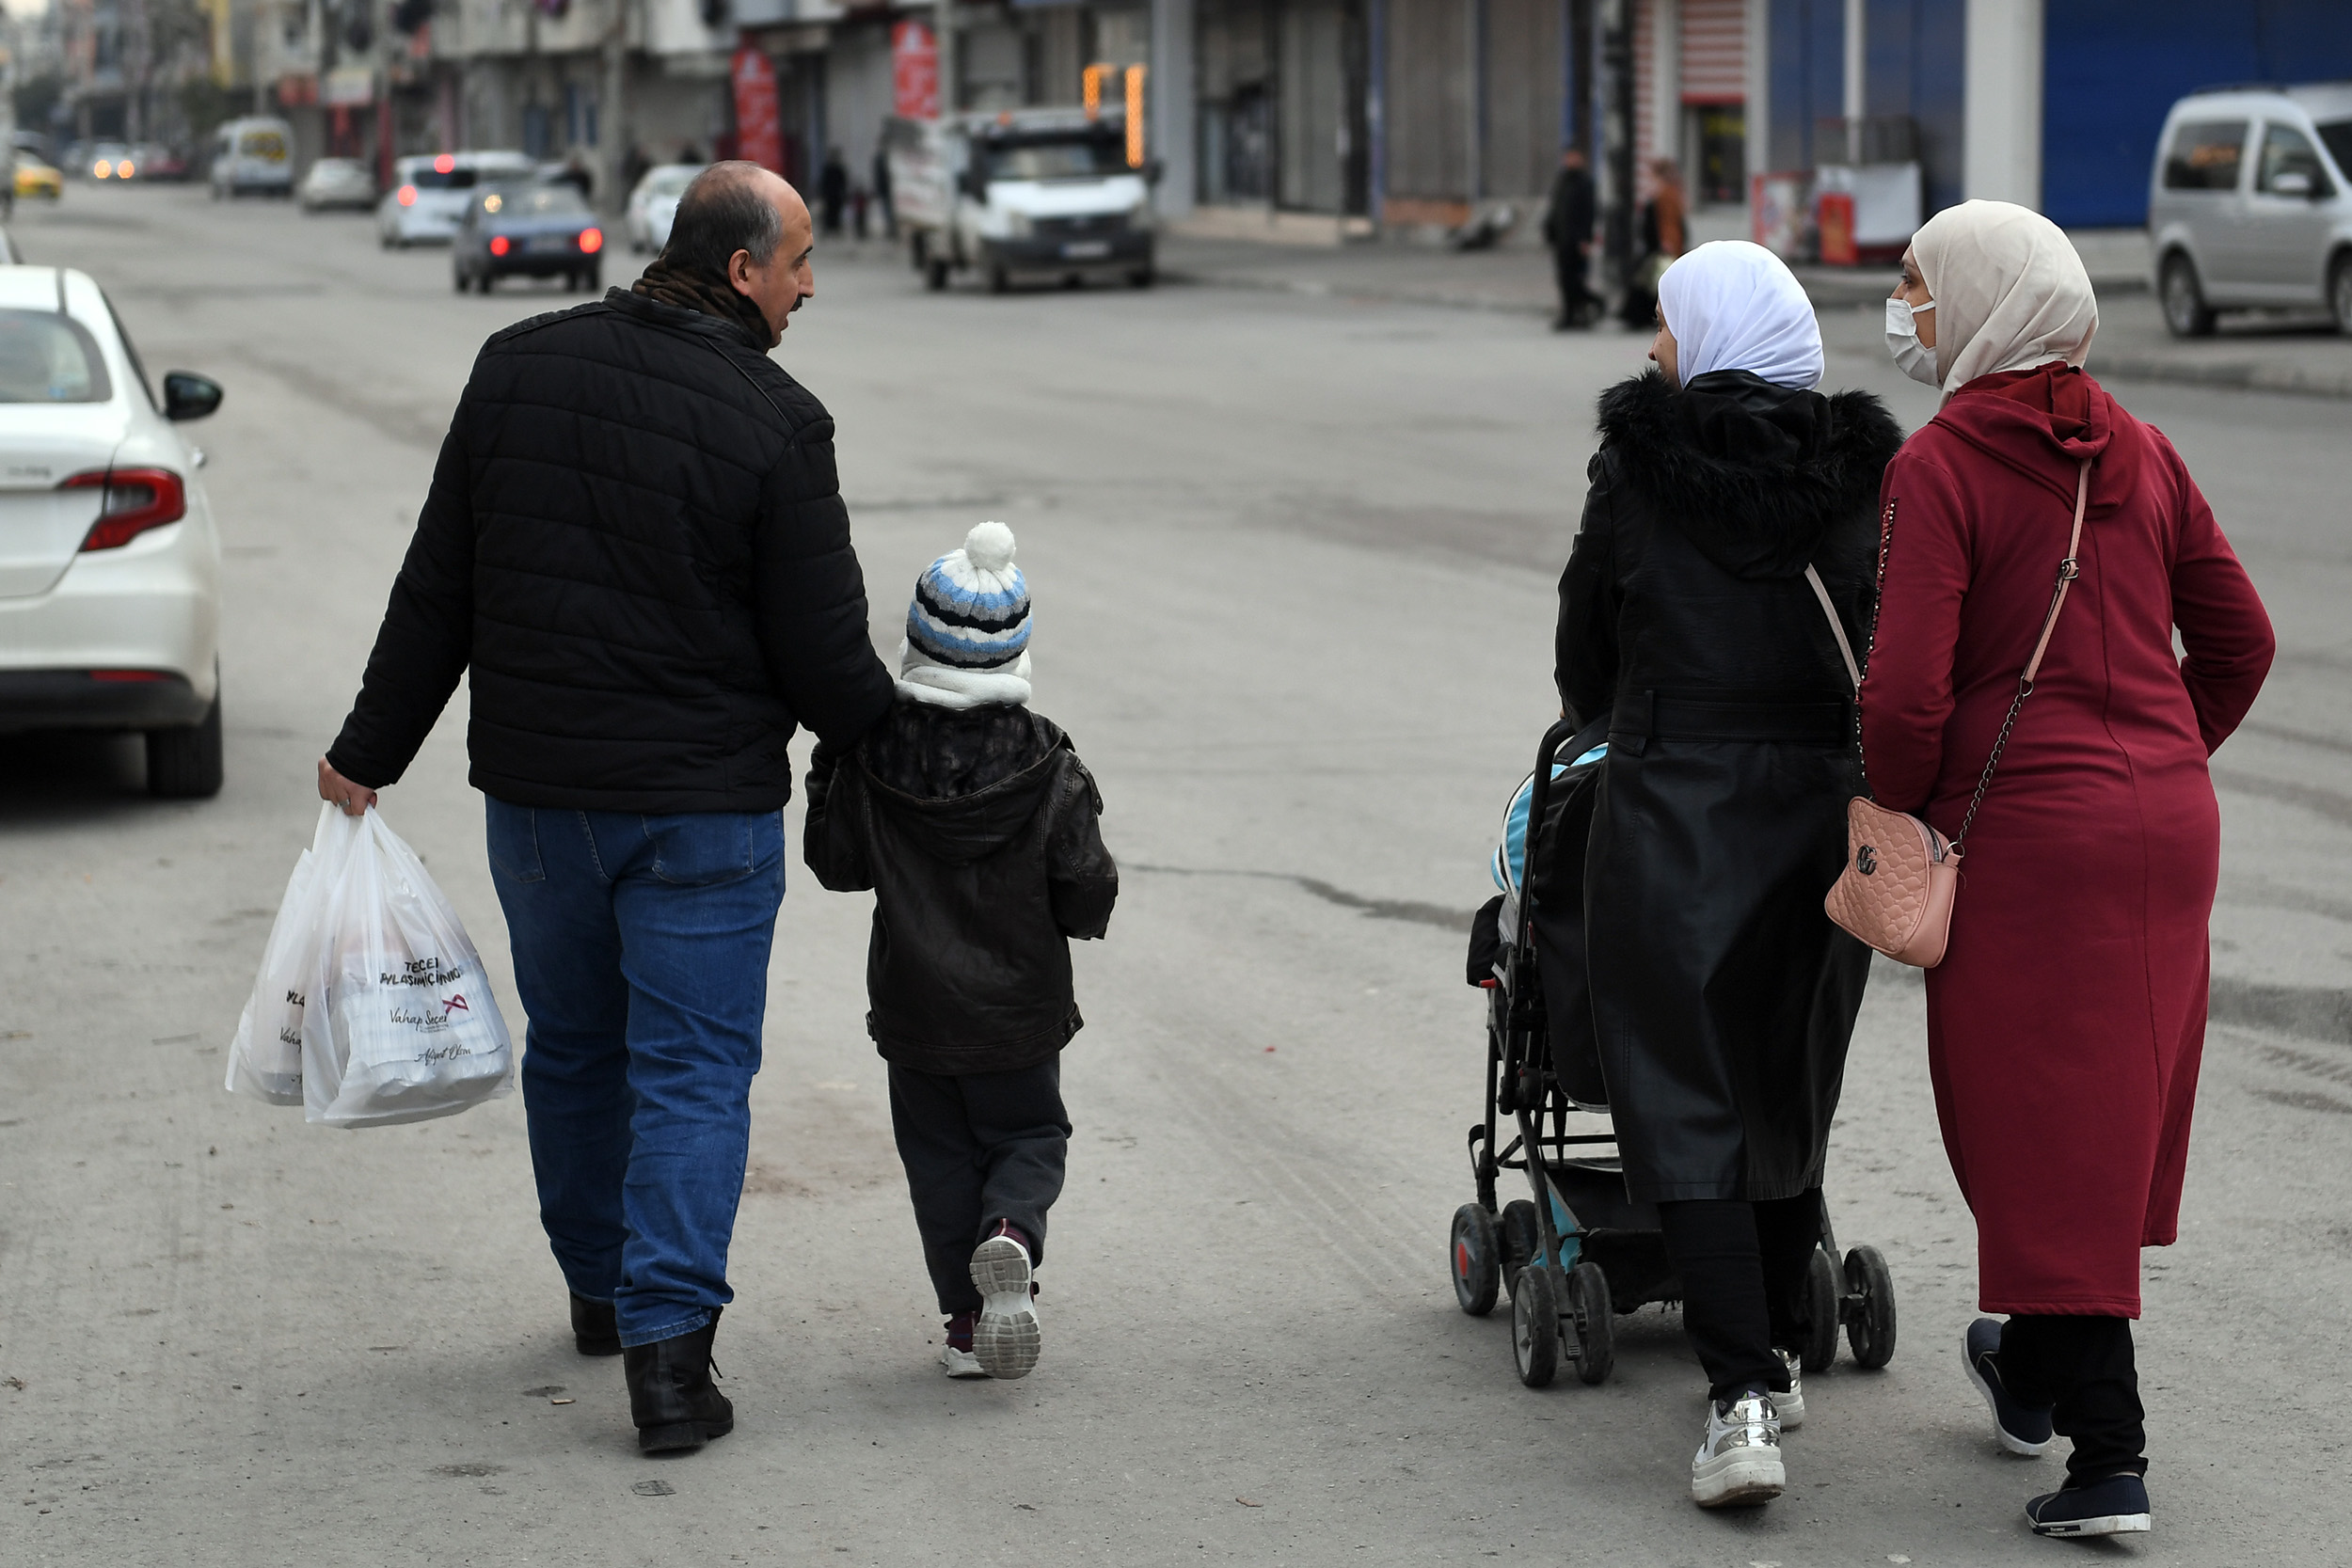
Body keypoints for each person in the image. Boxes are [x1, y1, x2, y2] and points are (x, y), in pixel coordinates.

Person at [313, 163, 897, 1457]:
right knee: (693, 1070)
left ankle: (599, 1291)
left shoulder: (516, 364)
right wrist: (910, 744)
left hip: (541, 806)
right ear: (741, 270)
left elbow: (437, 589)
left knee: (579, 1048)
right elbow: (827, 660)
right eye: (800, 259)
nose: (813, 284)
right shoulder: (779, 418)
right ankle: (669, 1363)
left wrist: (370, 748)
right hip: (702, 817)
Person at [1866, 200, 2273, 1540]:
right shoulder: (2142, 450)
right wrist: (2158, 760)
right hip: (2167, 828)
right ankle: (2030, 1365)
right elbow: (2242, 640)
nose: (1908, 306)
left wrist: (1909, 814)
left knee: (2039, 1122)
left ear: (1984, 299)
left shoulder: (1939, 467)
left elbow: (1908, 692)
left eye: (1922, 285)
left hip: (2030, 839)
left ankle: (2112, 1452)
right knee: (2095, 1118)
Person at [1556, 240, 1901, 1509]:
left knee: (1686, 1097)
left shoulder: (1639, 472)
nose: (1655, 341)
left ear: (1704, 335)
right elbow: (1896, 639)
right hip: (1819, 809)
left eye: (1665, 320)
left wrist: (1634, 713)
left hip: (1672, 810)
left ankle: (1740, 1397)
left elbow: (1585, 643)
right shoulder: (1865, 472)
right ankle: (1778, 1349)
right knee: (1780, 1063)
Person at [803, 522, 1117, 1382]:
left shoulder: (872, 755)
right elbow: (1087, 895)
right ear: (1017, 651)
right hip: (1018, 1012)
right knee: (1028, 1134)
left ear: (916, 644)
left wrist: (830, 765)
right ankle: (1011, 1232)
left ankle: (970, 1326)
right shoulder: (1049, 765)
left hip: (914, 1010)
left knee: (938, 1159)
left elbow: (837, 868)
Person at [1618, 158, 1688, 329]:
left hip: (1661, 245)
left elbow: (1669, 222)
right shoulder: (1667, 191)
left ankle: (1643, 316)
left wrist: (1667, 243)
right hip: (1657, 244)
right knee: (1649, 280)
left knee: (1651, 280)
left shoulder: (1666, 193)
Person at [1543, 146, 1599, 330]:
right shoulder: (1562, 180)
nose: (1570, 161)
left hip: (1577, 240)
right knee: (1565, 279)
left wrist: (1586, 239)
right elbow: (1555, 209)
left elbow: (1589, 212)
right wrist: (1550, 231)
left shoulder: (1585, 182)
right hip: (1562, 239)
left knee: (1577, 279)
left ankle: (1587, 309)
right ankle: (1569, 314)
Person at [818, 145, 849, 237]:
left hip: (834, 194)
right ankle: (830, 229)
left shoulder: (836, 169)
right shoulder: (830, 169)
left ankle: (834, 229)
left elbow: (843, 183)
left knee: (834, 212)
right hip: (832, 194)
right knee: (830, 212)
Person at [873, 144, 896, 239]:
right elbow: (878, 176)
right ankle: (890, 229)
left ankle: (891, 229)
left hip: (890, 190)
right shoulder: (880, 158)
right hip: (885, 189)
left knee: (889, 210)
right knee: (887, 210)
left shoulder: (889, 157)